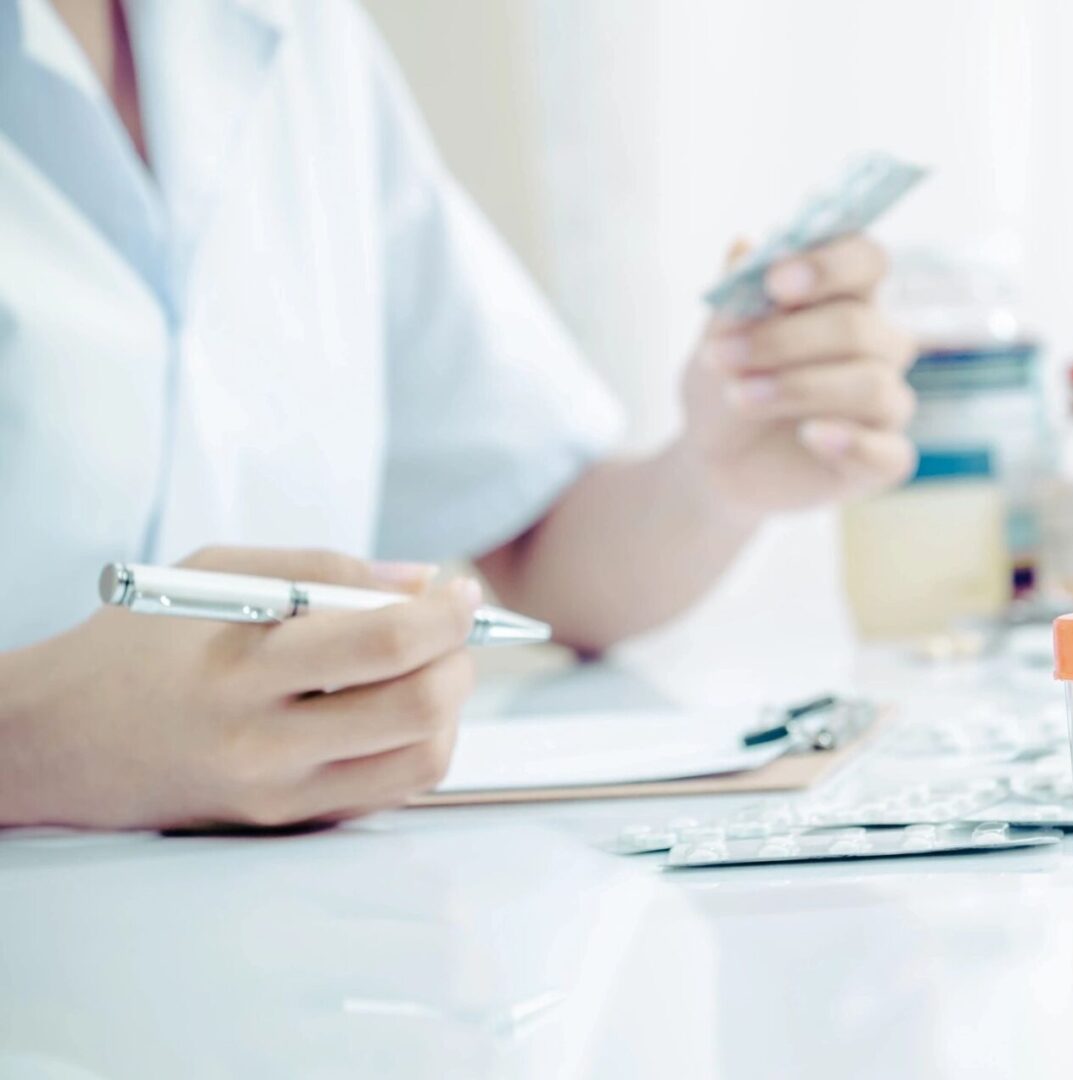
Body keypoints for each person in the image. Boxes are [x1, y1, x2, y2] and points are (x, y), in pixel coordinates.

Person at [0, 0, 917, 829]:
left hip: (302, 957)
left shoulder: (303, 36)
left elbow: (539, 545)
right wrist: (33, 745)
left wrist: (716, 473)